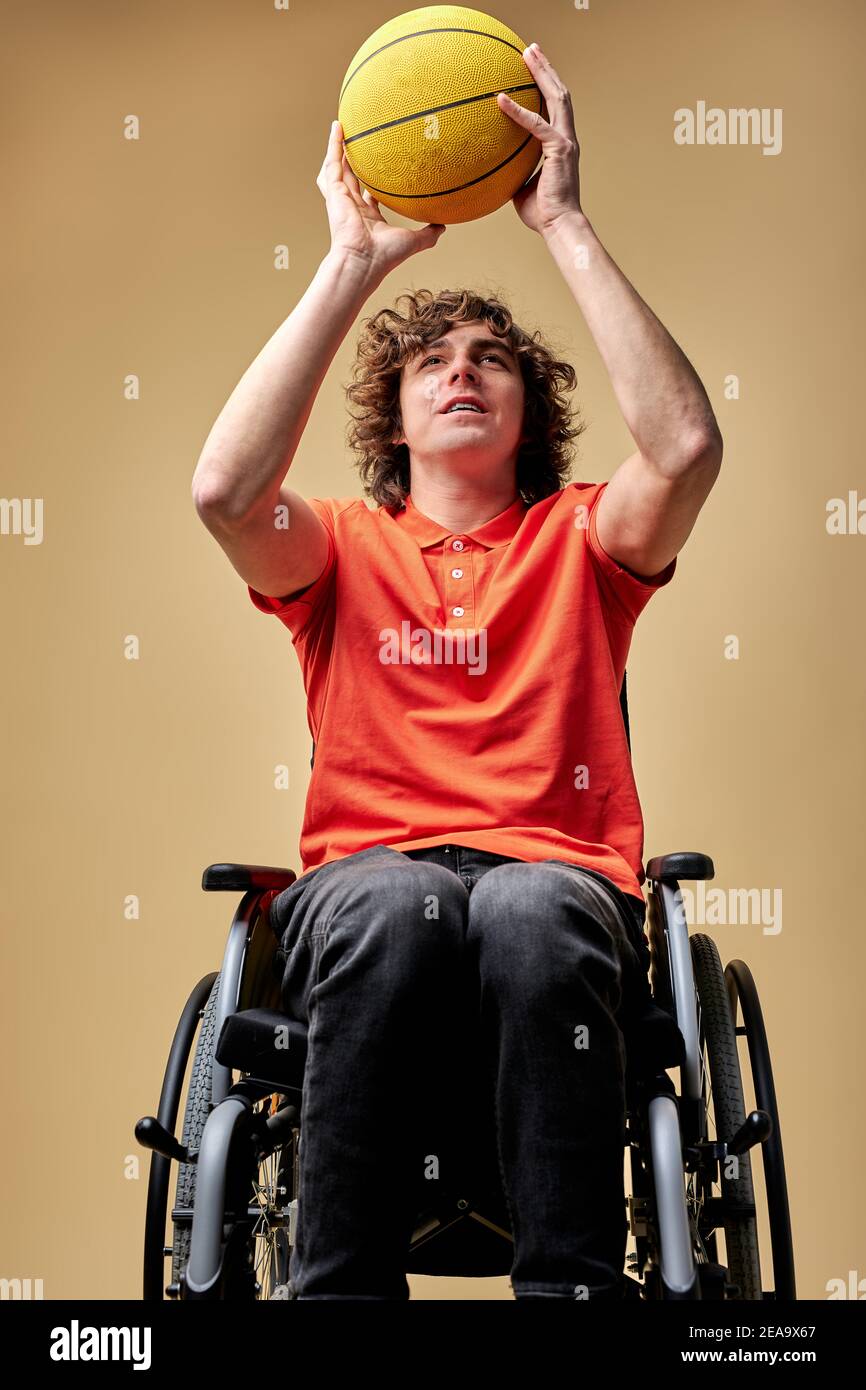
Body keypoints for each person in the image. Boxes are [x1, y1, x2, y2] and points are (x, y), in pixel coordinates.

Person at [191, 44, 721, 1301]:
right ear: (399, 416)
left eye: (490, 358)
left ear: (527, 412)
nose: (463, 369)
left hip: (552, 884)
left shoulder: (585, 539)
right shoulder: (337, 548)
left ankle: (570, 1295)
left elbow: (688, 444)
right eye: (435, 361)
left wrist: (565, 224)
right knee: (396, 905)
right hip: (371, 893)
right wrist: (347, 266)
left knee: (526, 910)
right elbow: (221, 490)